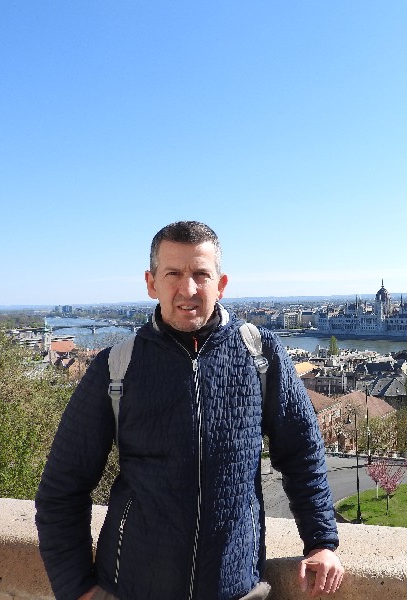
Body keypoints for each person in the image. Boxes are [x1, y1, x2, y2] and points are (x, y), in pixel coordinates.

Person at [36, 221, 344, 600]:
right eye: (173, 274)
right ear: (151, 283)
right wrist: (77, 588)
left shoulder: (259, 353)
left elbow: (302, 454)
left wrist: (321, 542)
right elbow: (62, 488)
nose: (188, 289)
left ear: (222, 283)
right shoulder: (115, 367)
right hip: (132, 588)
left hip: (234, 589)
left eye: (201, 274)